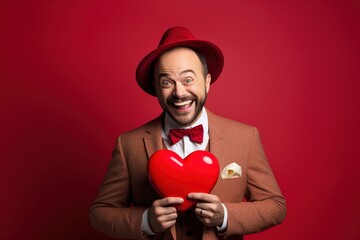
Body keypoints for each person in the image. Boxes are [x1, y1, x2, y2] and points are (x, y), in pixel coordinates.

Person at [89, 26, 286, 240]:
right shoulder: (128, 144)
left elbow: (276, 206)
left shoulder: (245, 138)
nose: (179, 92)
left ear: (207, 82)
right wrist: (147, 220)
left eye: (188, 79)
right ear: (155, 87)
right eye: (166, 82)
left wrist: (225, 216)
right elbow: (100, 213)